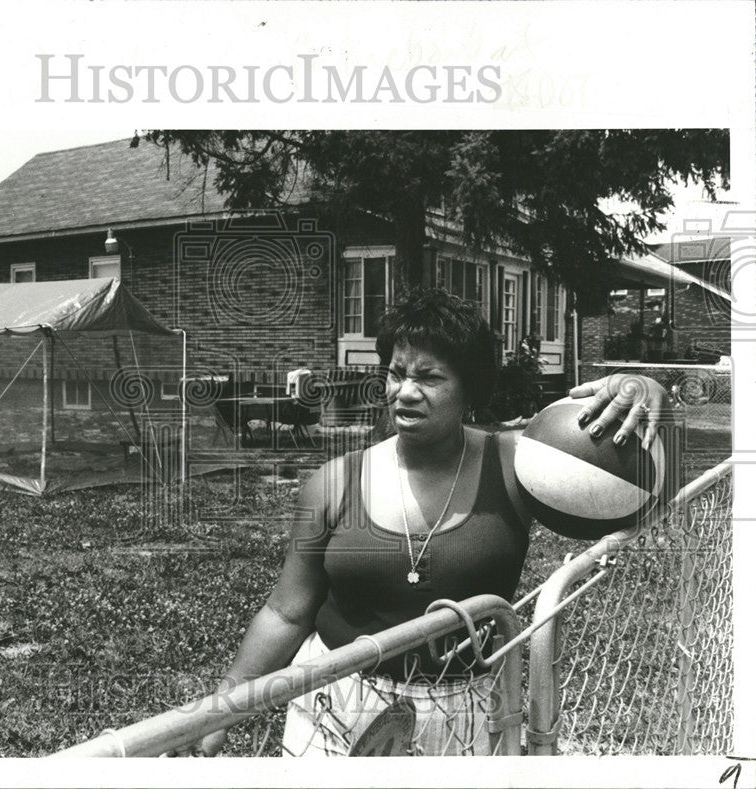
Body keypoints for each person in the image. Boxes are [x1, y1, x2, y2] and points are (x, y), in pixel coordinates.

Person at [173, 288, 670, 757]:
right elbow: (286, 612)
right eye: (396, 374)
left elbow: (647, 489)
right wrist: (220, 711)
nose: (405, 392)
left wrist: (646, 390)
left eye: (430, 378)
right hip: (335, 700)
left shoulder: (518, 466)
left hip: (468, 709)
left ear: (469, 389)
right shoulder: (334, 482)